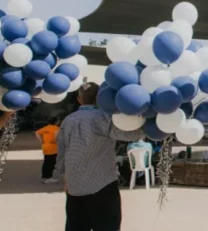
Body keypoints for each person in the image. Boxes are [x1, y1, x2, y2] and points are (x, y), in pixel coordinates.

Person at [57, 82, 145, 231]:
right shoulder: (103, 118)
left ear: (79, 99)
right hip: (102, 184)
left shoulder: (68, 120)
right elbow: (130, 135)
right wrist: (148, 126)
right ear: (100, 99)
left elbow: (62, 153)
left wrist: (65, 178)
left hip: (75, 186)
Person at [35, 117, 60, 184]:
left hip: (45, 147)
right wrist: (54, 140)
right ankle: (49, 177)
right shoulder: (56, 128)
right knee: (51, 163)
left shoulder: (46, 128)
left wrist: (41, 140)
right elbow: (56, 134)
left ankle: (44, 177)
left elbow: (37, 132)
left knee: (46, 162)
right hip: (53, 148)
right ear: (56, 122)